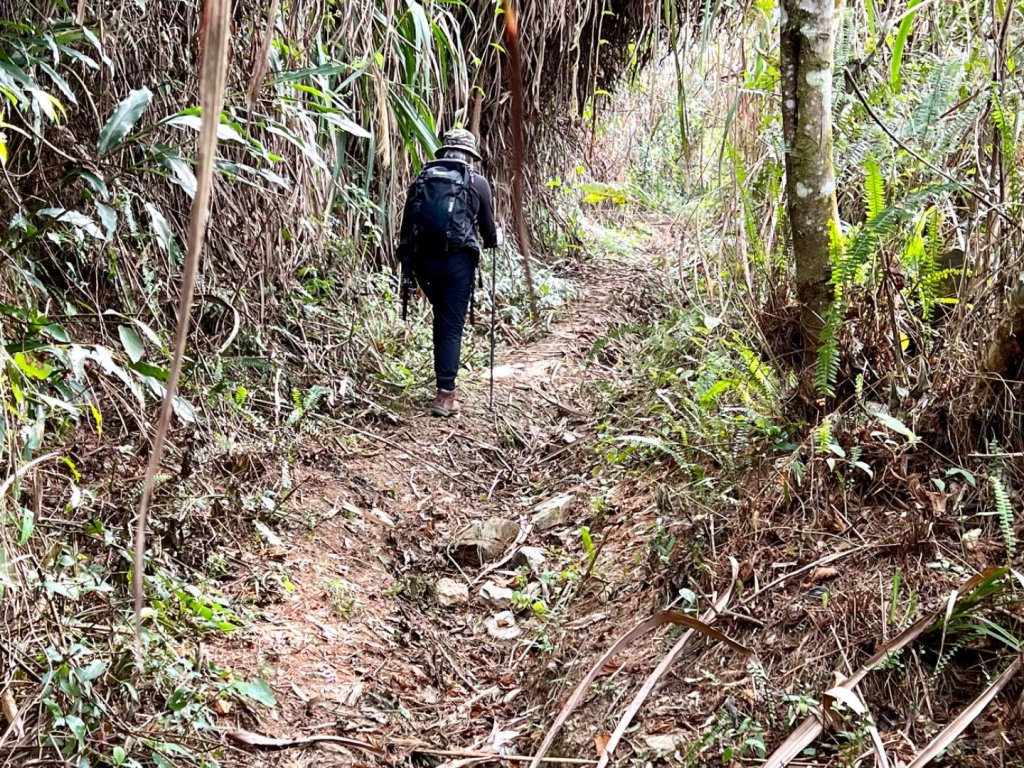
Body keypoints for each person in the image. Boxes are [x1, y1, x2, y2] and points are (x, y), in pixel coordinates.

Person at [396, 128, 500, 417]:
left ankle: (444, 383)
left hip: (422, 263)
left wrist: (407, 262)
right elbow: (489, 234)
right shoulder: (477, 182)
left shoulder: (423, 178)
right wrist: (493, 238)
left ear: (444, 152)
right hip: (457, 264)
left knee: (441, 318)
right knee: (450, 325)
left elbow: (408, 225)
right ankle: (445, 396)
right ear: (469, 156)